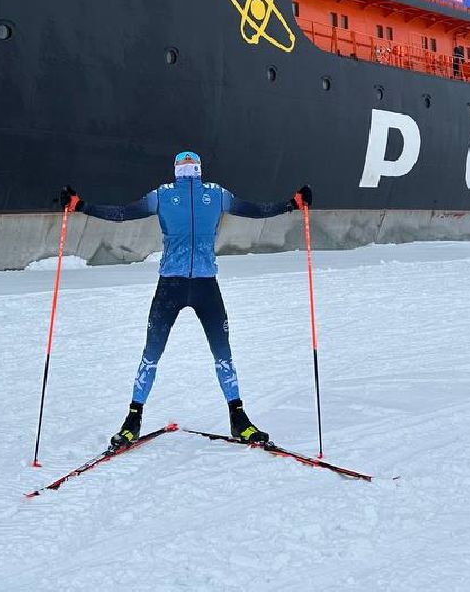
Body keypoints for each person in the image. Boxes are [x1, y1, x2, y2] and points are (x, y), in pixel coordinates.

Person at [61, 151, 310, 450]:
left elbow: (122, 214)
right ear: (198, 170)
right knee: (212, 353)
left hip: (181, 285)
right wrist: (292, 204)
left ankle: (137, 421)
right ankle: (229, 419)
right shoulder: (211, 194)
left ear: (178, 169)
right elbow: (257, 210)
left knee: (164, 353)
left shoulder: (170, 195)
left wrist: (81, 206)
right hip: (191, 285)